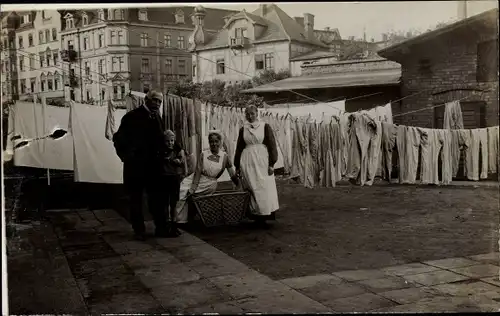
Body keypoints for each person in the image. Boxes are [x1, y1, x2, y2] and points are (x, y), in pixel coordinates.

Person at [113, 89, 181, 240]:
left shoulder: (158, 118)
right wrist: (127, 158)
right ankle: (139, 230)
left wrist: (178, 150)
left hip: (154, 167)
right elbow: (118, 139)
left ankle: (161, 228)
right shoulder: (132, 117)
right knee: (136, 198)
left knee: (157, 197)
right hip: (135, 167)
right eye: (155, 100)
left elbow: (164, 139)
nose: (157, 103)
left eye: (159, 101)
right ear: (146, 100)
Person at [176, 130, 238, 224]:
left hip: (209, 183)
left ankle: (183, 219)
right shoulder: (203, 154)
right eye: (211, 142)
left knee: (185, 192)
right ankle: (179, 220)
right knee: (181, 189)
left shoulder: (224, 157)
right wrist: (193, 187)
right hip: (197, 178)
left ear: (220, 142)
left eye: (216, 141)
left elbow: (232, 174)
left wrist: (238, 184)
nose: (214, 144)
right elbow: (197, 171)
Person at [234, 104, 280, 228]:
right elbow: (239, 147)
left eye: (252, 114)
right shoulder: (243, 129)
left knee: (263, 187)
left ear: (257, 114)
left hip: (262, 161)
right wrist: (237, 165)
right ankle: (255, 216)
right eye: (247, 114)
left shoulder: (265, 127)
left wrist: (271, 164)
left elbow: (272, 146)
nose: (250, 116)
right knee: (251, 187)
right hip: (248, 161)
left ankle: (264, 216)